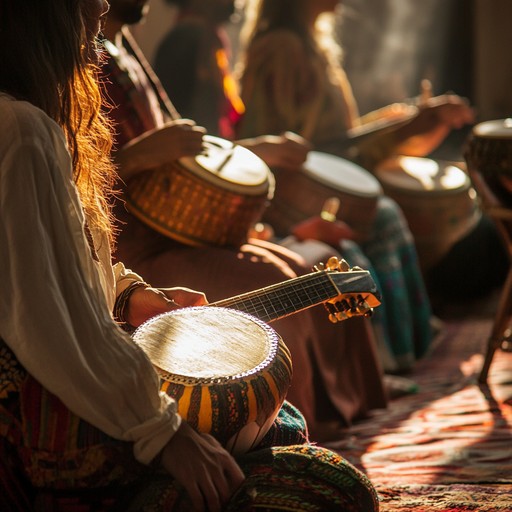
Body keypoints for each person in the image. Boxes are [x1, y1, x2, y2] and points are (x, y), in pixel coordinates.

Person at [0, 1, 381, 511]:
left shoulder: (30, 121)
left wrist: (128, 294)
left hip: (61, 390)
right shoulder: (20, 131)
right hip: (38, 430)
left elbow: (54, 268)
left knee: (281, 421)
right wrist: (164, 432)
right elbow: (47, 323)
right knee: (336, 490)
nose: (103, 4)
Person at [100, 0, 388, 442]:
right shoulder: (86, 59)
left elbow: (186, 150)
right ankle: (287, 433)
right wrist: (138, 157)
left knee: (306, 263)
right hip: (132, 250)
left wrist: (252, 151)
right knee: (270, 273)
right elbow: (70, 184)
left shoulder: (125, 49)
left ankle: (337, 408)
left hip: (179, 229)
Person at [152, 0, 435, 374]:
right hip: (274, 198)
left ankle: (407, 348)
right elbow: (209, 148)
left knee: (384, 212)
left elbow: (330, 140)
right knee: (374, 225)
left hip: (273, 187)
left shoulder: (230, 40)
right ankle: (390, 359)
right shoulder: (223, 44)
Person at [236, 0, 510, 306]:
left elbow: (337, 140)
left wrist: (397, 123)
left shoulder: (312, 45)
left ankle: (411, 339)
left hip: (320, 187)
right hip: (295, 201)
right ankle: (400, 347)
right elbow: (312, 157)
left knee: (387, 212)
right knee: (383, 216)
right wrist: (405, 130)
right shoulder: (282, 49)